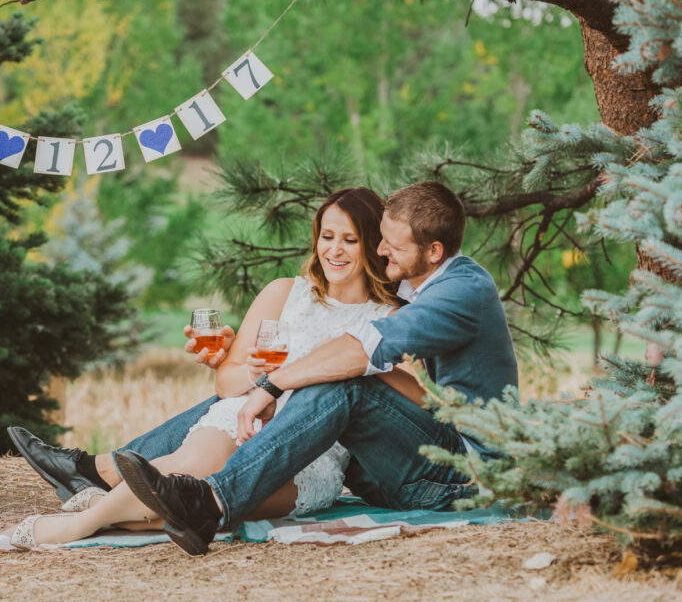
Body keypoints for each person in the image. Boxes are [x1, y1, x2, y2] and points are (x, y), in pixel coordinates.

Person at [113, 181, 519, 555]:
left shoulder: (463, 291)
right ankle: (113, 470)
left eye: (391, 244)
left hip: (462, 473)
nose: (380, 251)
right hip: (400, 469)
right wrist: (244, 368)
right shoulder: (426, 285)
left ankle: (211, 501)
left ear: (433, 252)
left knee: (348, 381)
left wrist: (272, 385)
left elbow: (365, 349)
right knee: (330, 375)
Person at [5, 188, 424, 548]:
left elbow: (423, 398)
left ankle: (99, 502)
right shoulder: (284, 293)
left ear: (373, 244)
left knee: (203, 506)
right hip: (241, 422)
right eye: (327, 236)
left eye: (349, 240)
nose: (334, 250)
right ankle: (81, 524)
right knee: (188, 469)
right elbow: (227, 383)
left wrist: (361, 364)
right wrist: (256, 374)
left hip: (315, 455)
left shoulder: (392, 316)